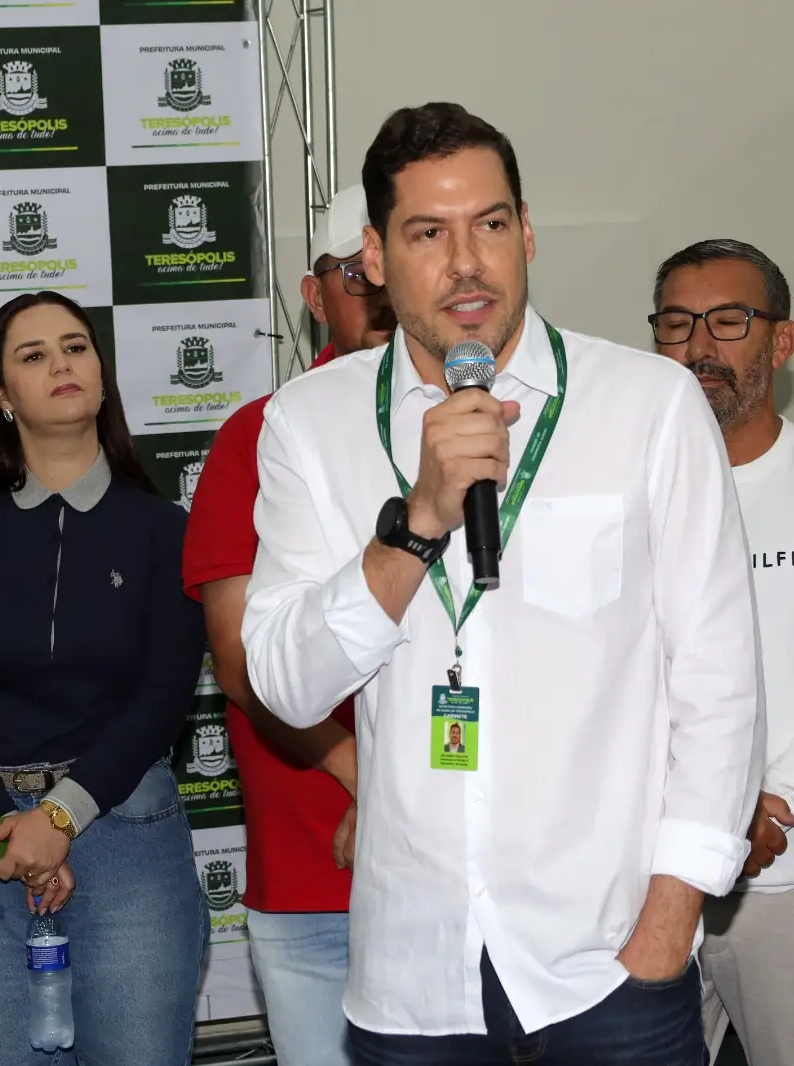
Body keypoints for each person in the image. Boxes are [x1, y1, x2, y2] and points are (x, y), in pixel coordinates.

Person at [241, 102, 763, 1065]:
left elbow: (719, 685)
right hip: (413, 977)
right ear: (375, 256)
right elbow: (286, 683)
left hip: (609, 966)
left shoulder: (648, 407)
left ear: (526, 232)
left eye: (488, 223)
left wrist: (667, 924)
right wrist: (417, 524)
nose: (466, 262)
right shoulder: (308, 425)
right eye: (427, 233)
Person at [0, 291, 209, 1065]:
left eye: (75, 347)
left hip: (123, 832)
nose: (61, 365)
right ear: (1, 395)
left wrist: (59, 819)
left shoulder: (163, 528)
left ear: (102, 375)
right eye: (33, 355)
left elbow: (163, 696)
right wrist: (10, 836)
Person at [181, 183, 393, 1066]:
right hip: (314, 866)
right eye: (356, 273)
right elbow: (240, 664)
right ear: (314, 295)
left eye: (399, 261)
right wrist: (377, 784)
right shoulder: (258, 434)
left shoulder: (489, 423)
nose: (381, 290)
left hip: (473, 872)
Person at [650, 238, 794, 1066]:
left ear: (780, 341)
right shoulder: (626, 492)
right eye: (677, 323)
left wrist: (759, 802)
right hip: (649, 876)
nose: (699, 345)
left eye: (728, 321)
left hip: (782, 882)